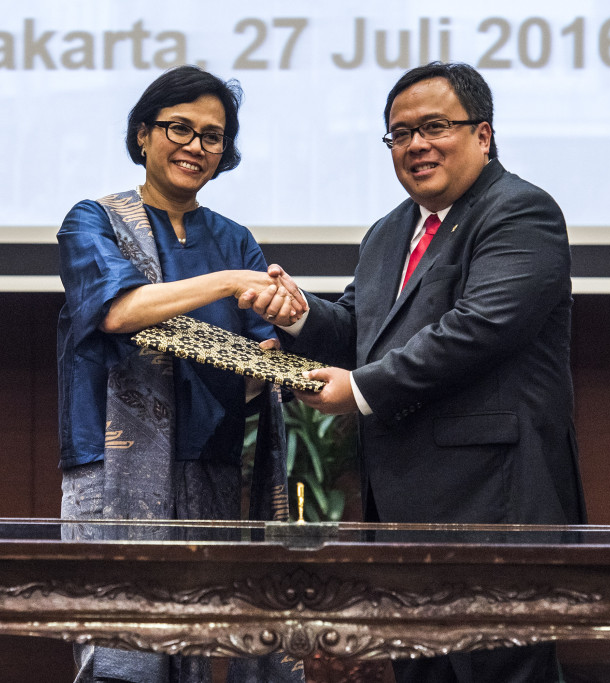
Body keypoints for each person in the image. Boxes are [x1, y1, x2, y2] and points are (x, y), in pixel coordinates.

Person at [241, 62, 586, 682]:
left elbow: (480, 329)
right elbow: (358, 327)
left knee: (501, 671)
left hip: (494, 506)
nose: (416, 145)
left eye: (434, 127)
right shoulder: (389, 231)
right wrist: (296, 316)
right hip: (404, 506)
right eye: (400, 134)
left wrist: (361, 389)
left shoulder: (520, 212)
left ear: (483, 135)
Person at [57, 65, 305, 683]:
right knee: (121, 654)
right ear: (143, 134)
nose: (196, 147)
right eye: (180, 128)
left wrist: (284, 337)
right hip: (111, 470)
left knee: (198, 651)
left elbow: (260, 362)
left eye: (213, 136)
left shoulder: (236, 239)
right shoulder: (95, 221)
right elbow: (118, 311)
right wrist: (227, 283)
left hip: (211, 464)